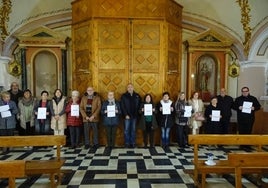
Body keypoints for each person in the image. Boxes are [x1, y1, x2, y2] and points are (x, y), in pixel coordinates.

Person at [120, 83, 141, 148]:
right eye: (128, 87)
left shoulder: (137, 96)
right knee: (126, 130)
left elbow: (140, 105)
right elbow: (122, 106)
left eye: (131, 87)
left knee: (133, 130)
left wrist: (138, 113)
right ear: (127, 88)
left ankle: (133, 143)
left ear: (133, 88)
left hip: (135, 116)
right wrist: (125, 114)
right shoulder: (124, 96)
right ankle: (127, 143)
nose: (130, 88)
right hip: (127, 116)